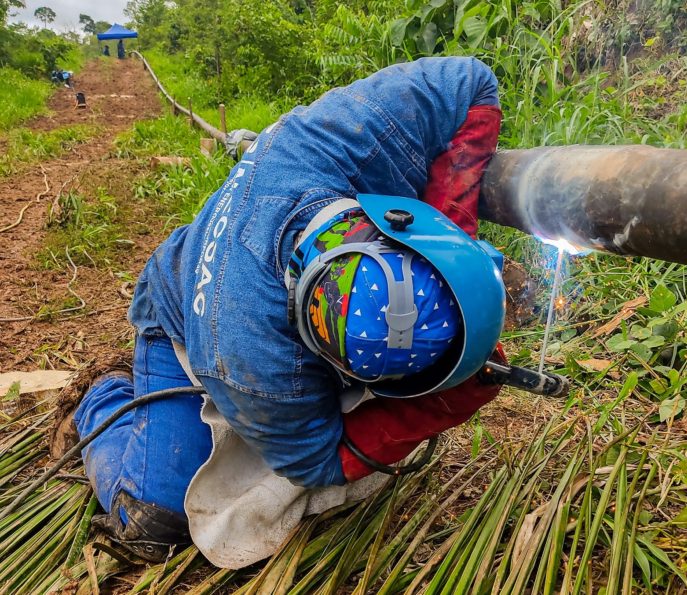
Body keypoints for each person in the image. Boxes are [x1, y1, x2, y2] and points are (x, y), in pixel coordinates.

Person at [53, 57, 508, 567]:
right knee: (153, 520)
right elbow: (315, 461)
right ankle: (103, 395)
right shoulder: (255, 363)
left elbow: (471, 82)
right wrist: (434, 407)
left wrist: (451, 247)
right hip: (178, 308)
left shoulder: (351, 135)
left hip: (244, 290)